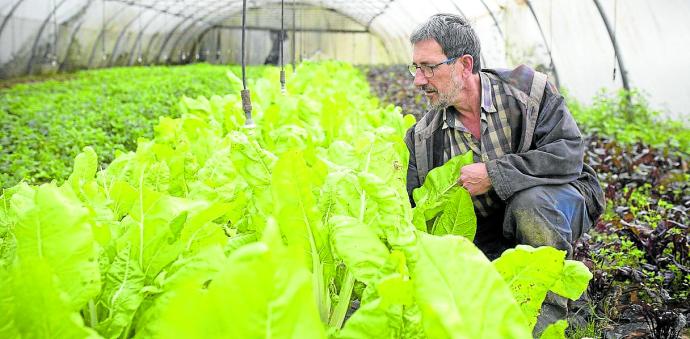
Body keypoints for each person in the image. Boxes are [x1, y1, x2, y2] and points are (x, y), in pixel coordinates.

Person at [404, 13, 605, 335]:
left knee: (532, 204)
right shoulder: (423, 138)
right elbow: (418, 214)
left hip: (558, 202)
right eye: (416, 68)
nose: (419, 80)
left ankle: (548, 316)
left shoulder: (529, 92)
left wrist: (495, 175)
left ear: (465, 65)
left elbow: (567, 154)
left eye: (429, 67)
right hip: (488, 229)